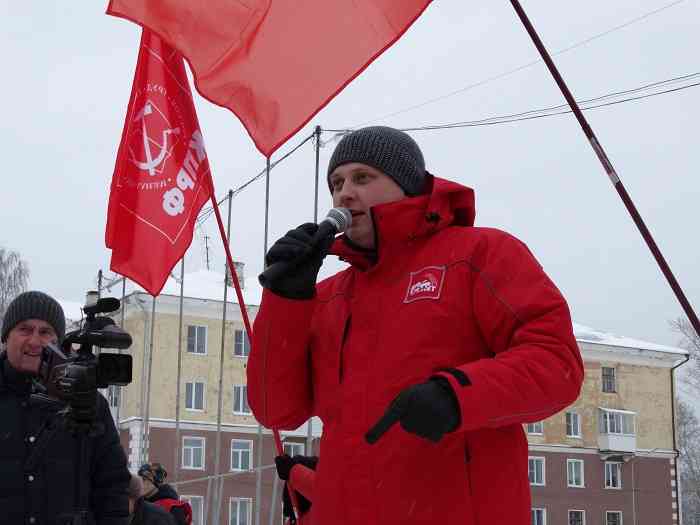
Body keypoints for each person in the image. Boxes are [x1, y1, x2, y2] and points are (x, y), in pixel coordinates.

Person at [247, 126, 585, 525]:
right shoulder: (327, 295)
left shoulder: (479, 254)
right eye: (336, 183)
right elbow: (275, 410)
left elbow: (556, 364)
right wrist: (285, 299)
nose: (344, 193)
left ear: (407, 183)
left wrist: (458, 395)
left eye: (363, 177)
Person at [0, 290, 130, 525]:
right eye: (25, 329)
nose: (34, 341)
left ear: (58, 342)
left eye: (45, 332)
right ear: (6, 337)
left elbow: (112, 486)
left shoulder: (89, 402)